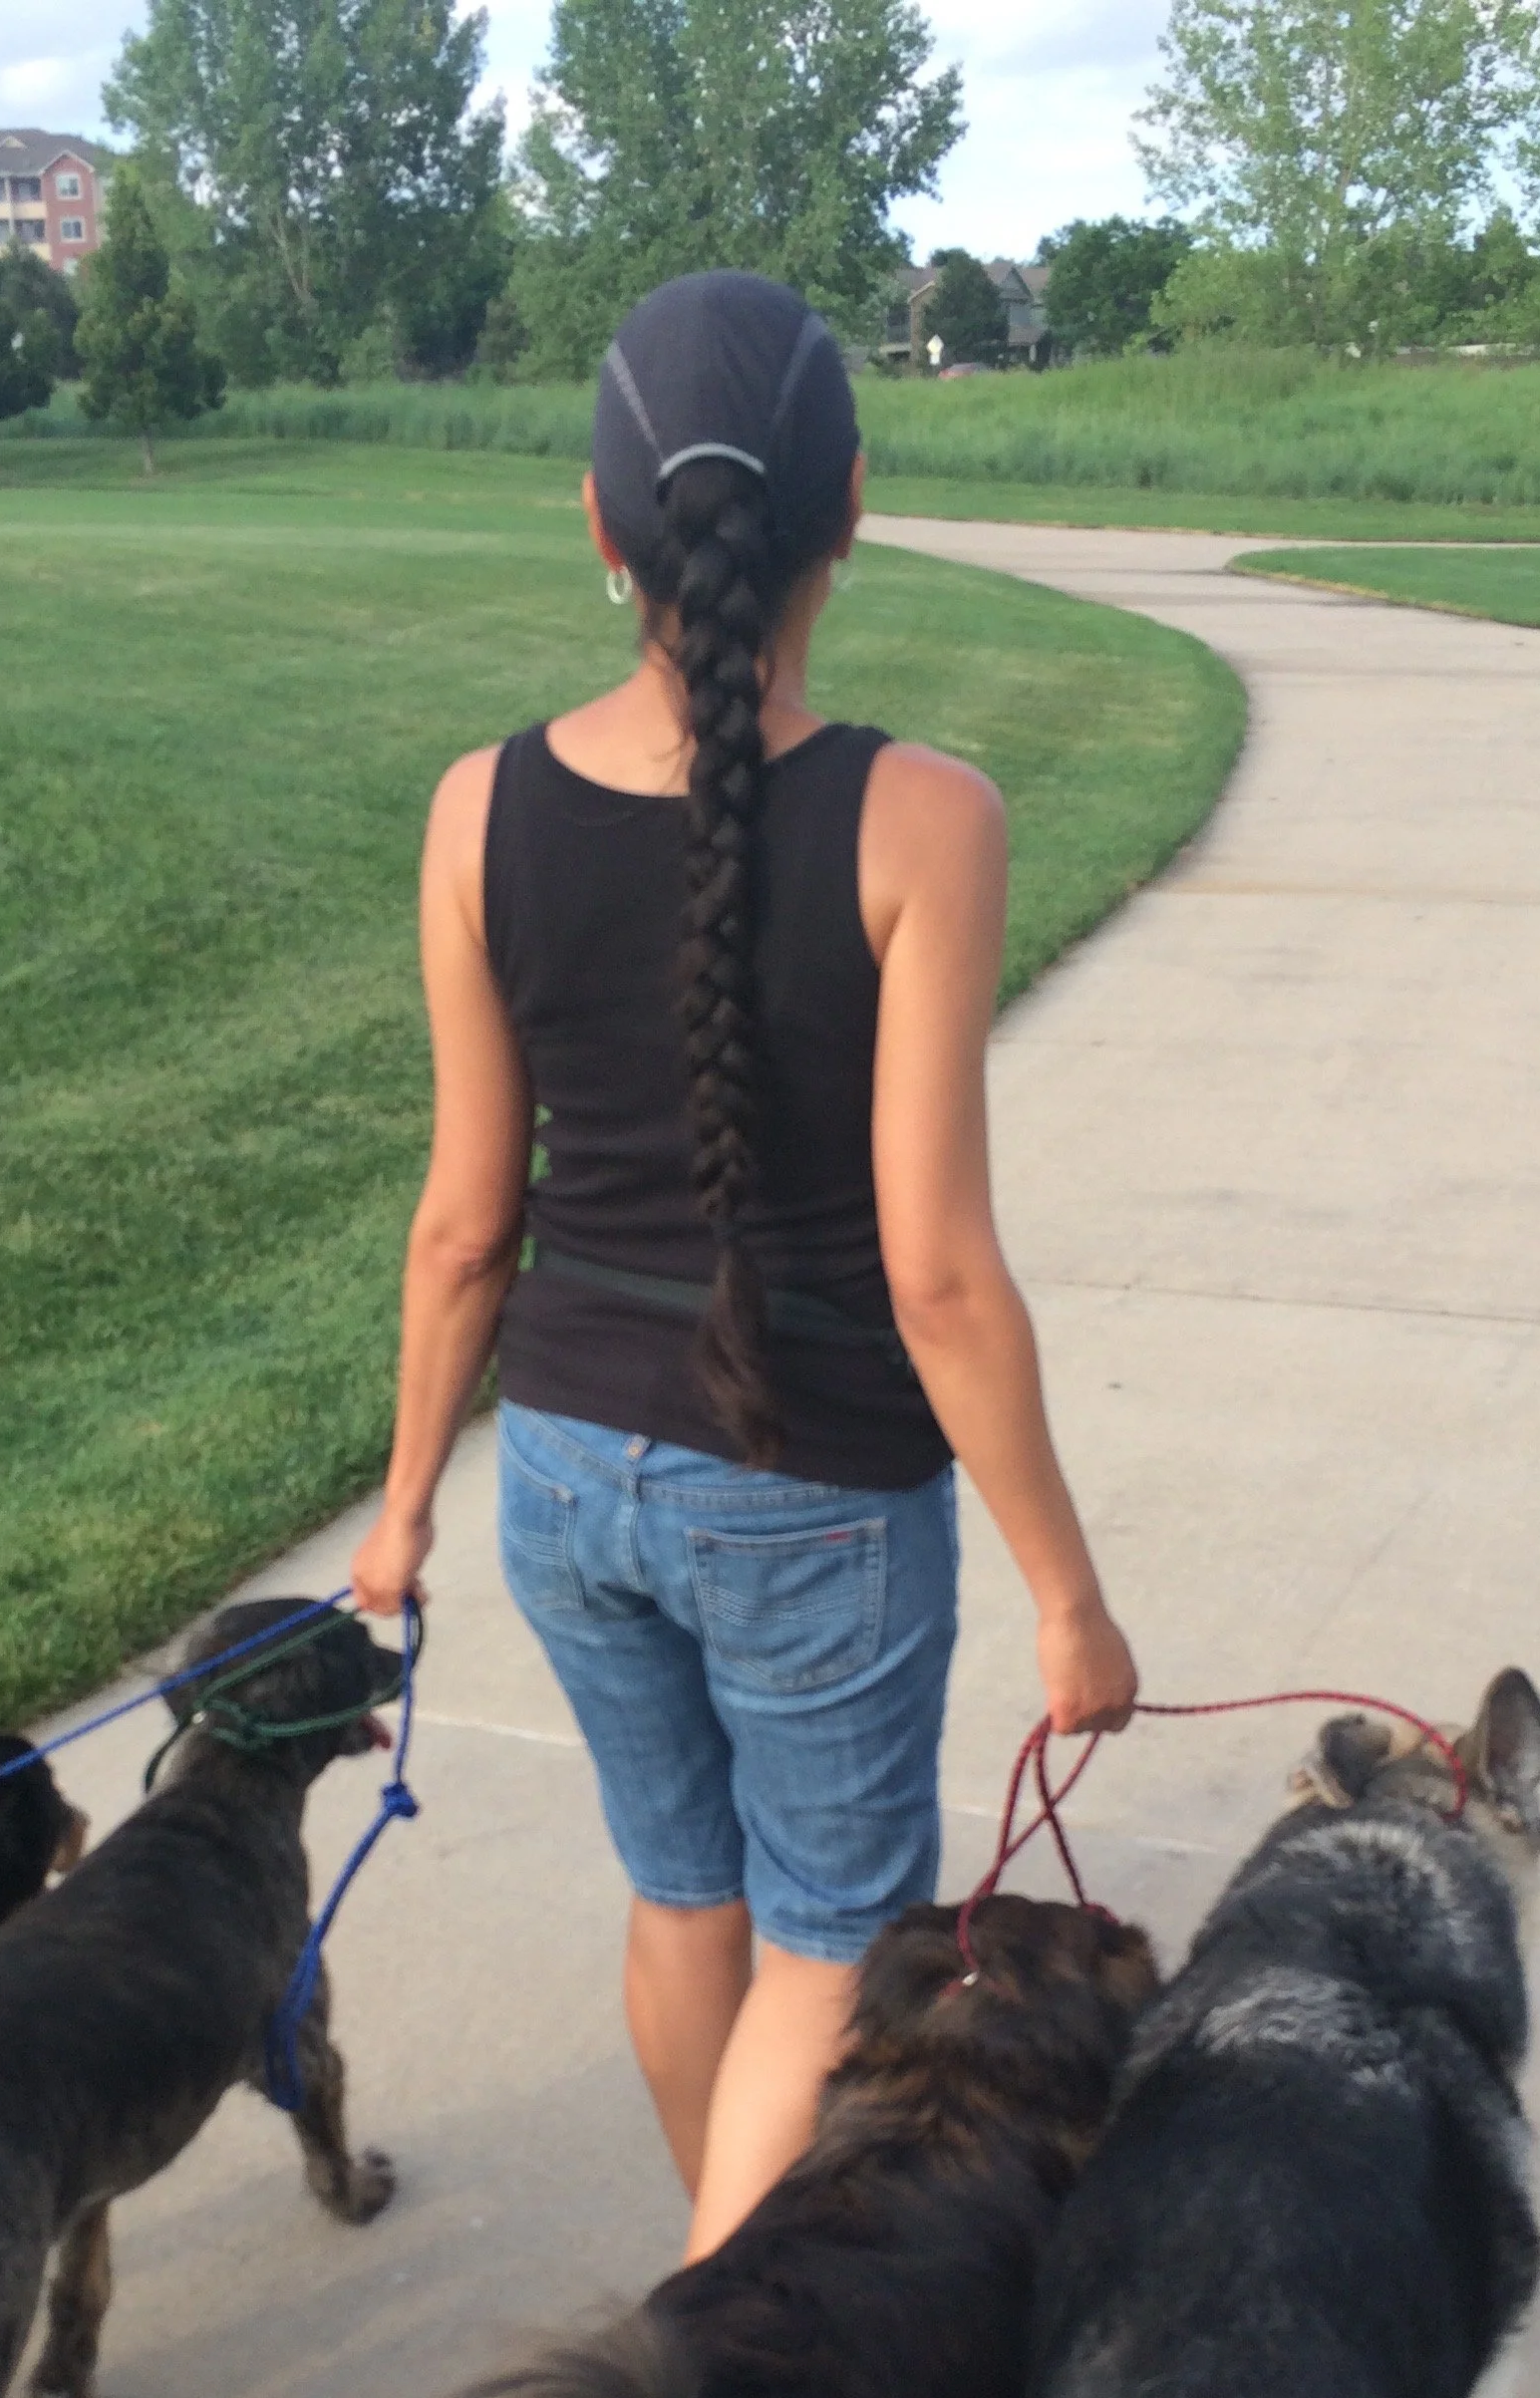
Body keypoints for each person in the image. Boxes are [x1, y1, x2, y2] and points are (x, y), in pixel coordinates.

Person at [351, 270, 1138, 2262]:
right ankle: (732, 2360)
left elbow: (466, 1224)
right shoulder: (923, 818)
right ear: (850, 504)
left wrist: (402, 1510)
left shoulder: (476, 810)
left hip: (561, 1479)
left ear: (600, 522)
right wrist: (1068, 1597)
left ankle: (719, 2308)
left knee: (684, 1901)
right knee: (825, 1952)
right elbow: (936, 1275)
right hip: (808, 1487)